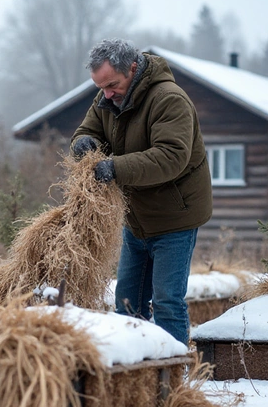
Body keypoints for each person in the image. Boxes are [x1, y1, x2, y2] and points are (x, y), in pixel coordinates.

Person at [71, 38, 212, 345]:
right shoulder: (107, 98)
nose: (106, 94)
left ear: (133, 69)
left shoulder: (169, 99)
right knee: (127, 301)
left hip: (174, 218)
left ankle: (174, 372)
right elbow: (87, 130)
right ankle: (137, 372)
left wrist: (116, 169)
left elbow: (171, 156)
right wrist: (81, 144)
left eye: (112, 85)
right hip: (135, 218)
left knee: (166, 301)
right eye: (100, 87)